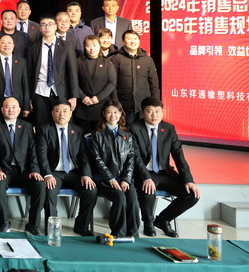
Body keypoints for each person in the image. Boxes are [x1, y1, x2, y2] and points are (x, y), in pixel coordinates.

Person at [131, 97, 200, 238]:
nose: (154, 115)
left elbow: (179, 156)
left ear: (162, 112)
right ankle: (148, 222)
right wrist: (146, 177)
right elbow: (135, 157)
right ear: (143, 112)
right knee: (147, 189)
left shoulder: (168, 129)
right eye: (150, 111)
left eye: (158, 111)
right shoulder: (134, 128)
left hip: (164, 172)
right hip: (143, 172)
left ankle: (163, 220)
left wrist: (189, 180)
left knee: (192, 195)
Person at [36, 101, 98, 237]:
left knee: (91, 190)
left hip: (74, 172)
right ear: (52, 113)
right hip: (54, 172)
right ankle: (52, 228)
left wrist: (86, 174)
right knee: (49, 191)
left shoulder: (78, 130)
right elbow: (41, 154)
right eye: (58, 111)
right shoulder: (44, 129)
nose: (61, 114)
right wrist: (47, 174)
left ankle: (81, 226)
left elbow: (83, 155)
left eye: (65, 111)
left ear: (70, 113)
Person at [0, 97, 45, 235]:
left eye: (14, 107)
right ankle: (4, 223)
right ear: (2, 109)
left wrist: (35, 170)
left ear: (19, 110)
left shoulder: (27, 126)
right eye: (7, 107)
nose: (11, 110)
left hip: (25, 170)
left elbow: (33, 151)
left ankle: (33, 225)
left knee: (39, 185)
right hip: (4, 170)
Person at [89, 100, 140, 238]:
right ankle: (119, 234)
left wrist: (126, 179)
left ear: (121, 113)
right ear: (104, 114)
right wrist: (110, 178)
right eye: (109, 112)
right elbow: (97, 159)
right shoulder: (97, 134)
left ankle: (133, 235)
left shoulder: (127, 135)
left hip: (123, 180)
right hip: (104, 180)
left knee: (133, 199)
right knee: (120, 197)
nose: (113, 115)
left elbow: (131, 159)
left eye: (116, 112)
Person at [27, 14, 79, 128]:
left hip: (61, 92)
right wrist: (29, 97)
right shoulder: (33, 47)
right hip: (39, 92)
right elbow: (29, 73)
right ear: (39, 28)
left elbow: (72, 73)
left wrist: (74, 96)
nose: (47, 27)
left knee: (61, 124)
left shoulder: (66, 46)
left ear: (55, 26)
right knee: (41, 125)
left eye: (50, 24)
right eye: (44, 25)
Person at [111, 30, 160, 125]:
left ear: (139, 41)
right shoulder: (116, 59)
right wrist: (116, 104)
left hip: (144, 106)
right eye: (129, 39)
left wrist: (155, 104)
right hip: (124, 106)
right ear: (123, 41)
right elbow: (112, 84)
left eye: (135, 39)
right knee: (126, 131)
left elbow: (154, 84)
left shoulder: (147, 60)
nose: (133, 41)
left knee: (143, 131)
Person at [75, 35, 117, 135]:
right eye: (88, 46)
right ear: (84, 47)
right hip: (82, 107)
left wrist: (98, 98)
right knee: (82, 138)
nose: (92, 48)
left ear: (99, 46)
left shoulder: (107, 63)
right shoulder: (78, 62)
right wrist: (82, 97)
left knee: (101, 138)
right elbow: (73, 82)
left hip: (101, 107)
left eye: (94, 45)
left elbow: (112, 83)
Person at [0, 35, 31, 118]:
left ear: (13, 45)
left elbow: (25, 85)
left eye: (9, 43)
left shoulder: (21, 62)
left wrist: (26, 106)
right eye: (3, 43)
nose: (6, 45)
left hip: (17, 102)